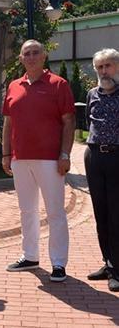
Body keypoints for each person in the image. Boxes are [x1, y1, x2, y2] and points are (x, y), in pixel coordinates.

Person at [1, 39, 75, 282]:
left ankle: (58, 263)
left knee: (55, 212)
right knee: (27, 210)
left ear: (44, 56)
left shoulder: (58, 84)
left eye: (35, 53)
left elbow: (68, 121)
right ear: (21, 58)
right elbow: (8, 122)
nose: (31, 57)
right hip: (20, 159)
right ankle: (30, 256)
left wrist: (65, 154)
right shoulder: (14, 86)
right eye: (27, 53)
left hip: (50, 159)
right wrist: (6, 154)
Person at [83, 48, 119, 292]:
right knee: (101, 213)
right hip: (94, 156)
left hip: (117, 156)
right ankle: (108, 262)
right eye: (100, 67)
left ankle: (117, 268)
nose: (104, 71)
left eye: (108, 66)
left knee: (116, 213)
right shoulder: (92, 94)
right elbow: (89, 122)